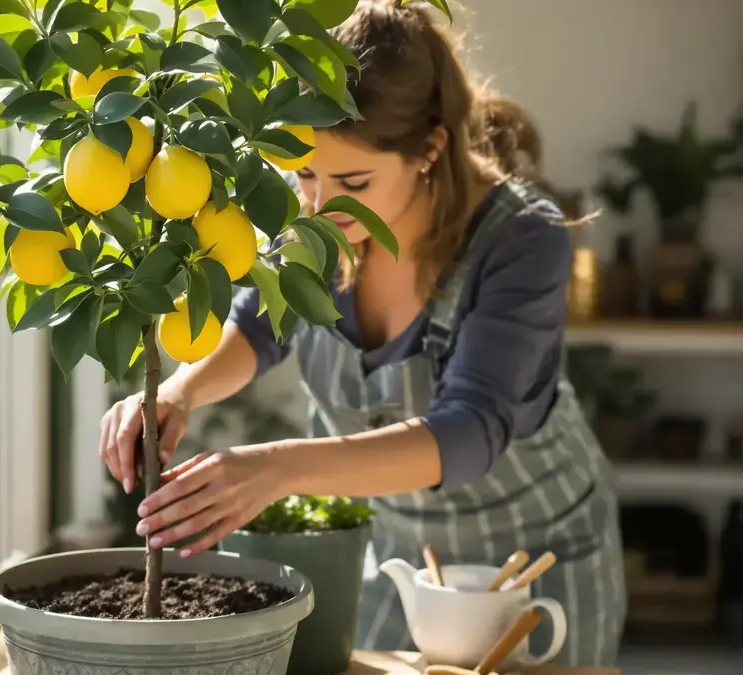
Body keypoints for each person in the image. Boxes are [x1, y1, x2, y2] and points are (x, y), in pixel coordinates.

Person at [96, 0, 625, 667]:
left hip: (534, 569)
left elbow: (471, 428)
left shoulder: (522, 237)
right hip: (398, 562)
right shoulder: (316, 220)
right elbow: (259, 325)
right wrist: (180, 391)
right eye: (305, 174)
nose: (321, 205)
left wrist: (275, 468)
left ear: (430, 148)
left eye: (353, 180)